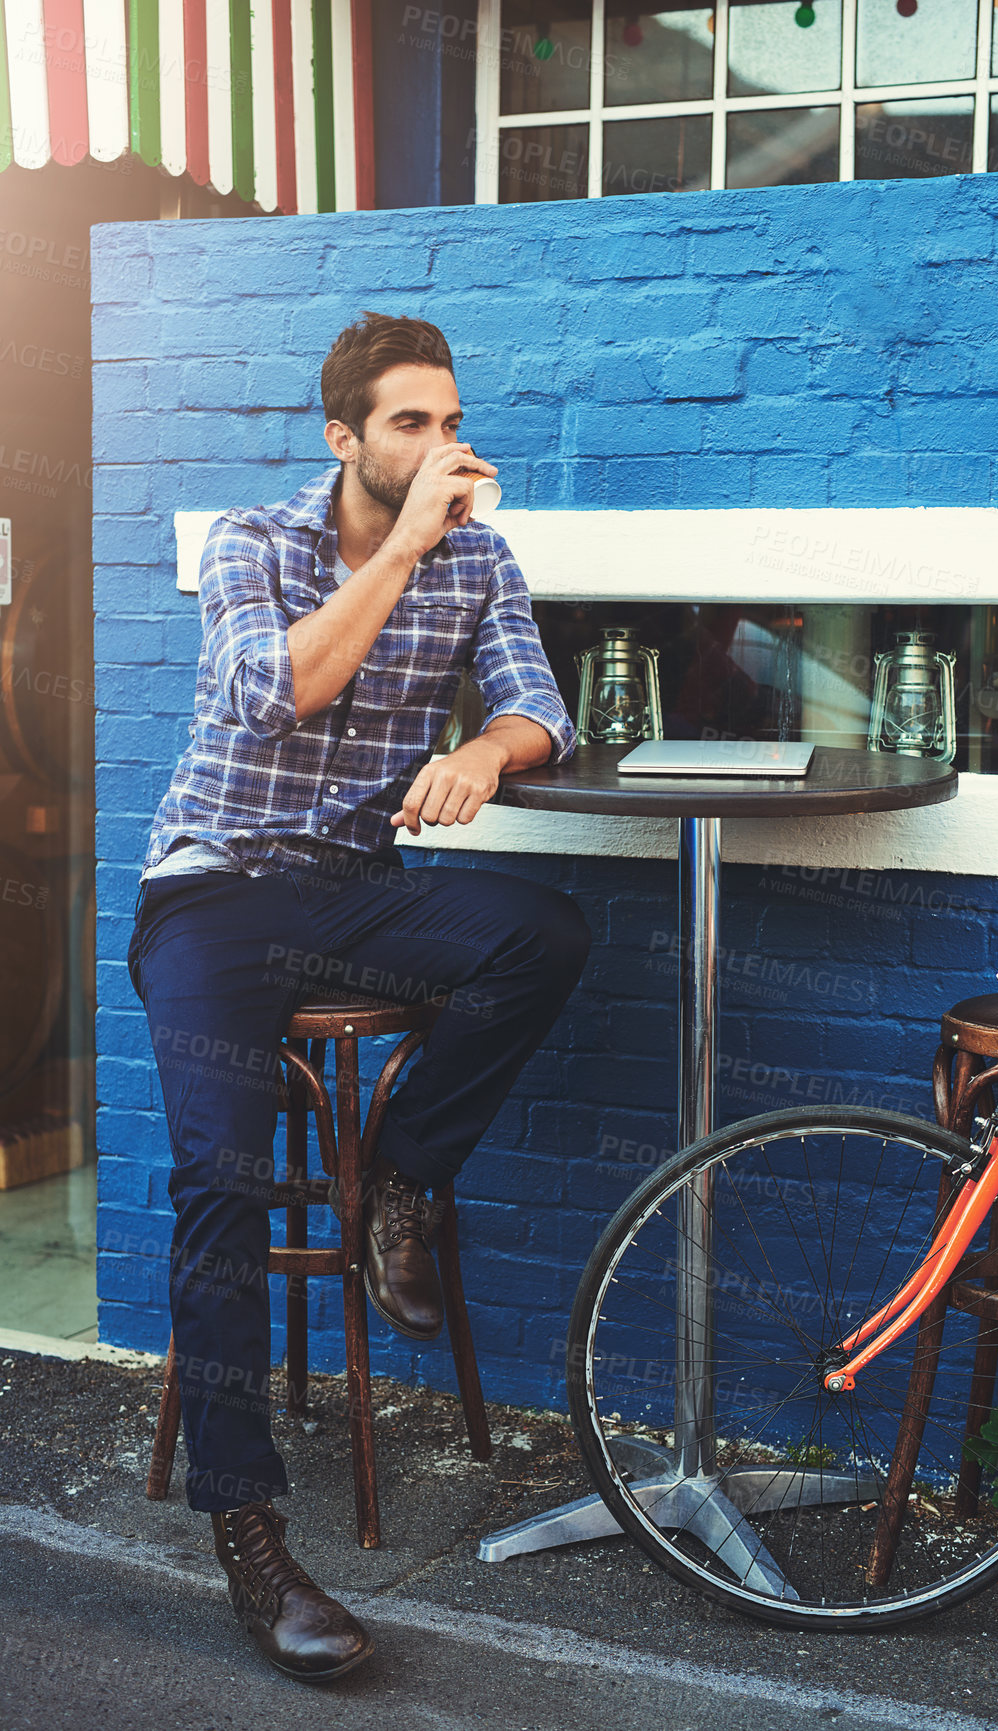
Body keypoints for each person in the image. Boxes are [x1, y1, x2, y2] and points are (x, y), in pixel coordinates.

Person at [127, 312, 591, 1681]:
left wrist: (493, 757)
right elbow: (278, 696)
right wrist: (399, 549)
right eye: (411, 424)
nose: (444, 447)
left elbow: (539, 706)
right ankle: (251, 1531)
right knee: (221, 1177)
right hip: (217, 895)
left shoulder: (481, 560)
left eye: (452, 421)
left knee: (544, 936)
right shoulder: (256, 546)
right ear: (346, 438)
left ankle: (402, 1176)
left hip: (354, 892)